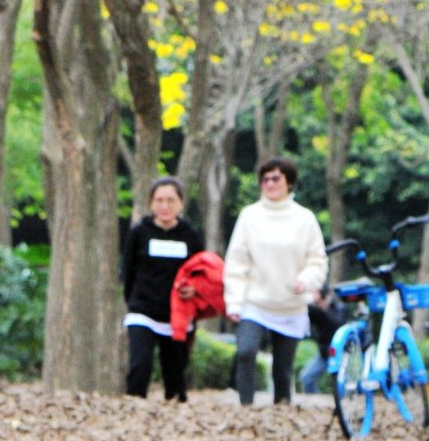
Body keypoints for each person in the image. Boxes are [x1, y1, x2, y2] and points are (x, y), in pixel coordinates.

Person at [223, 156, 328, 407]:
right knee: (246, 352)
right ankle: (245, 407)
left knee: (283, 369)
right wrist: (234, 302)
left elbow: (317, 261)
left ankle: (282, 411)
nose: (269, 184)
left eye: (275, 178)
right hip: (255, 302)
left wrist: (306, 281)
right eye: (265, 179)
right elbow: (237, 262)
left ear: (289, 183)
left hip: (289, 305)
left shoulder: (305, 219)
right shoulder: (249, 216)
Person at [122, 175, 203, 400]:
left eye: (170, 200)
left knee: (175, 377)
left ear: (181, 204)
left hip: (176, 316)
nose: (165, 206)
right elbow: (127, 271)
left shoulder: (190, 235)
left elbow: (202, 272)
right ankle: (132, 411)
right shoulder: (139, 233)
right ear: (150, 203)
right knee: (139, 366)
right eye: (159, 200)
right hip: (143, 312)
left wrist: (194, 290)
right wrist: (133, 301)